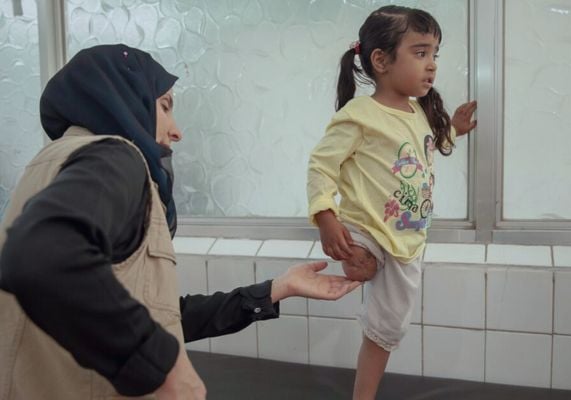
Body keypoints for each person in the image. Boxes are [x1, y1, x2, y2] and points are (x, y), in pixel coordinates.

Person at [0, 44, 361, 400]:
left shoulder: (50, 162)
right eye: (165, 106)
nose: (176, 131)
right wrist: (164, 367)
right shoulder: (116, 156)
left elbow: (155, 314)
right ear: (124, 98)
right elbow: (42, 256)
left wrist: (276, 289)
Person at [307, 6, 477, 399]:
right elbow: (321, 165)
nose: (432, 65)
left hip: (408, 239)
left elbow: (425, 151)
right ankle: (358, 258)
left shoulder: (418, 110)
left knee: (389, 330)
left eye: (435, 54)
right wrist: (325, 216)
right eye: (420, 53)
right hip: (365, 226)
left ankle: (363, 391)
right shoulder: (360, 115)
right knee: (360, 266)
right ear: (381, 60)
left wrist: (455, 130)